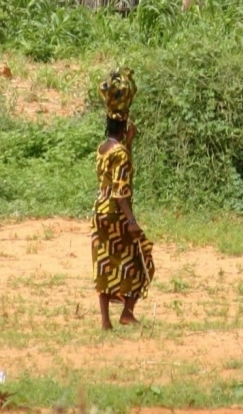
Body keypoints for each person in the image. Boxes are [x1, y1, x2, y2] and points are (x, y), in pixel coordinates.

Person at [91, 67, 155, 330]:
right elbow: (121, 191)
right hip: (117, 214)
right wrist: (131, 221)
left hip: (100, 212)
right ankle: (127, 311)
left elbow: (114, 168)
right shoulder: (122, 154)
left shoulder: (104, 148)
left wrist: (128, 141)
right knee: (141, 261)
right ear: (125, 122)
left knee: (105, 264)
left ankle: (106, 321)